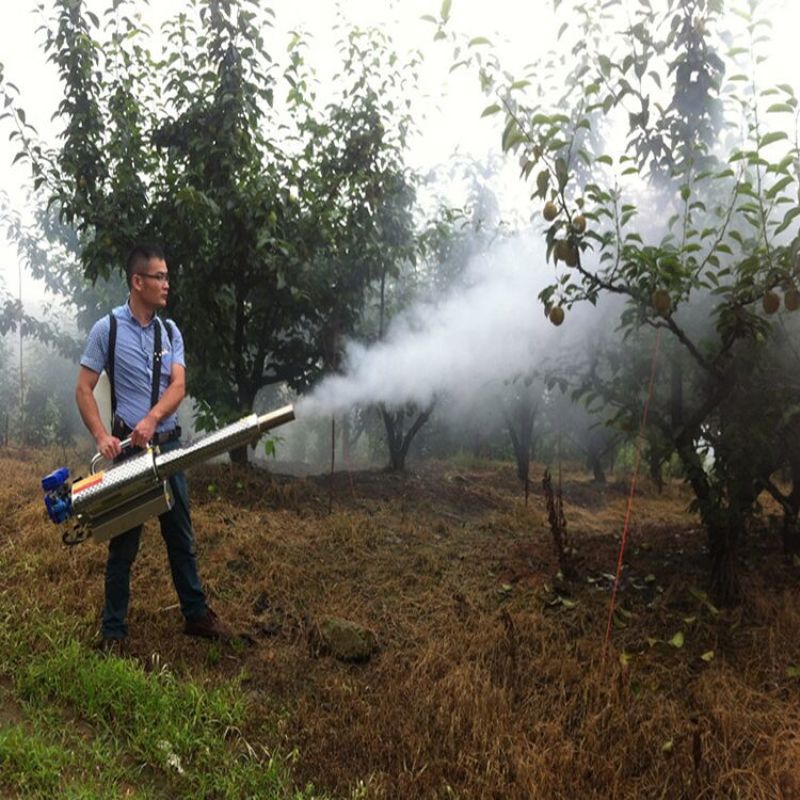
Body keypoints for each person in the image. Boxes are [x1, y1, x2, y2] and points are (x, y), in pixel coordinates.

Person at [75, 243, 231, 651]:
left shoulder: (170, 331)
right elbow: (84, 389)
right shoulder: (105, 330)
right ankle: (113, 632)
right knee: (123, 544)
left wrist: (152, 420)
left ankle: (196, 615)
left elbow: (178, 386)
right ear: (137, 281)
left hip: (169, 446)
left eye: (166, 276)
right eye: (159, 277)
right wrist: (101, 437)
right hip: (129, 454)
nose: (167, 284)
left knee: (181, 535)